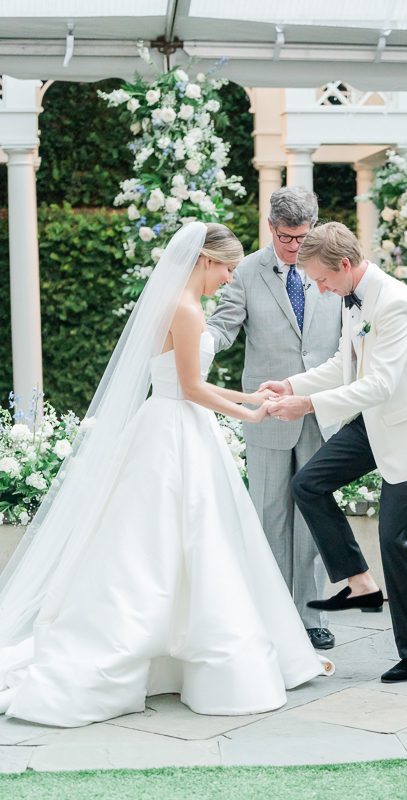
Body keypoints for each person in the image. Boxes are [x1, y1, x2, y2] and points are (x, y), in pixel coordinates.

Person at [0, 222, 330, 728]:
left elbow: (187, 382)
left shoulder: (175, 304)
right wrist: (251, 414)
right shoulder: (185, 308)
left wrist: (254, 396)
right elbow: (192, 389)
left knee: (175, 539)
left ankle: (175, 653)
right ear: (204, 261)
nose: (227, 279)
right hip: (179, 428)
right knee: (183, 540)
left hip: (172, 423)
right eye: (225, 268)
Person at [262, 222, 407, 683]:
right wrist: (291, 384)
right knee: (308, 484)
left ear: (344, 266)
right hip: (373, 425)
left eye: (322, 280)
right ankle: (359, 581)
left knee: (396, 543)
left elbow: (380, 384)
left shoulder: (395, 303)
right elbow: (342, 365)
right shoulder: (356, 299)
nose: (320, 289)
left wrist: (306, 405)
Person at [207, 188, 342, 651]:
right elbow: (223, 326)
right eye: (286, 237)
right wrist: (193, 342)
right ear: (271, 228)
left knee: (314, 514)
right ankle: (270, 613)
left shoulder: (329, 268)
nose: (294, 246)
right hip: (266, 413)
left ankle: (310, 615)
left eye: (302, 237)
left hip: (320, 410)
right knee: (269, 514)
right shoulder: (246, 272)